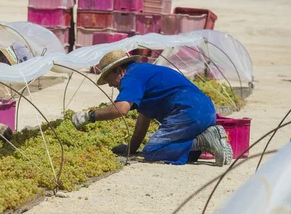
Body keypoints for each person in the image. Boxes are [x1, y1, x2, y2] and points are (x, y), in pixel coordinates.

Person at [71, 50, 233, 166]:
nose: (111, 85)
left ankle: (203, 140)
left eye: (110, 80)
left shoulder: (131, 77)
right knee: (169, 148)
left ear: (120, 71)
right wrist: (131, 149)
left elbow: (120, 109)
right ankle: (204, 140)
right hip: (204, 110)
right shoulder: (143, 73)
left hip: (187, 110)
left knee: (153, 150)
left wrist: (90, 116)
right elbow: (143, 120)